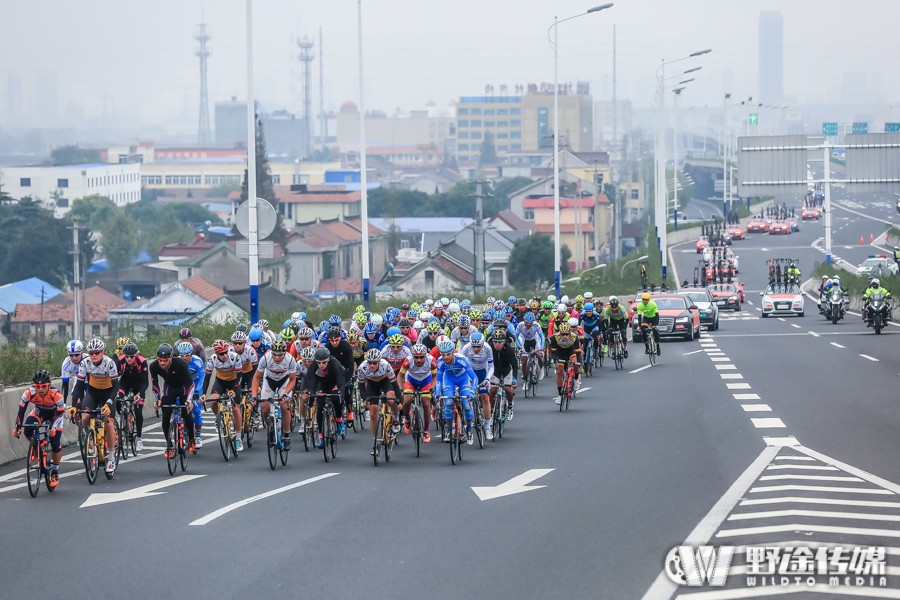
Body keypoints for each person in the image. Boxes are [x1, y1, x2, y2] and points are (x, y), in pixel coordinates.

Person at [68, 338, 120, 475]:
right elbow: (79, 386)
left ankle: (111, 459)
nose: (94, 355)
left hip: (108, 393)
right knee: (84, 417)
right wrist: (74, 406)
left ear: (103, 352)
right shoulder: (85, 363)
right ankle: (90, 440)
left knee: (109, 423)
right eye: (91, 353)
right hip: (93, 392)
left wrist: (109, 402)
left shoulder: (110, 363)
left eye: (97, 353)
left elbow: (116, 386)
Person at [15, 370, 65, 489]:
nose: (40, 389)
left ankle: (55, 472)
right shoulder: (28, 393)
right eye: (37, 386)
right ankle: (36, 447)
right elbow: (21, 411)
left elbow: (60, 415)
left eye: (43, 386)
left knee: (55, 442)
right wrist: (17, 427)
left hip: (55, 415)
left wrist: (54, 428)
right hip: (39, 412)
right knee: (27, 429)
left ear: (49, 385)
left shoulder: (57, 395)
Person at [149, 343, 197, 458]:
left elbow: (190, 384)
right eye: (160, 360)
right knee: (165, 417)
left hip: (183, 388)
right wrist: (158, 399)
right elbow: (155, 385)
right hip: (170, 389)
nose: (162, 363)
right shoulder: (154, 366)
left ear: (170, 358)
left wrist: (189, 400)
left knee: (186, 414)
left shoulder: (180, 364)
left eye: (165, 360)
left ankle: (191, 439)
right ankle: (170, 446)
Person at [251, 339, 298, 450]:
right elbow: (257, 377)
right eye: (274, 354)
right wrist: (254, 395)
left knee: (284, 405)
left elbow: (292, 380)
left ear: (285, 353)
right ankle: (270, 427)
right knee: (265, 407)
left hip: (284, 381)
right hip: (269, 381)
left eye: (280, 355)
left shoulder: (290, 359)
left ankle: (286, 435)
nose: (277, 357)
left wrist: (286, 394)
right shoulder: (265, 359)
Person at [358, 348, 402, 452]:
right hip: (371, 384)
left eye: (374, 363)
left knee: (391, 400)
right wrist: (365, 399)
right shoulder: (362, 367)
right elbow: (361, 386)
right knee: (373, 414)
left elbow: (395, 384)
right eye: (370, 363)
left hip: (385, 381)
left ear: (379, 362)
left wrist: (398, 400)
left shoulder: (385, 365)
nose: (372, 365)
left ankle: (396, 419)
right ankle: (375, 441)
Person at [204, 339, 245, 452]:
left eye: (226, 352)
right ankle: (219, 418)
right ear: (216, 354)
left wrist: (234, 389)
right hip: (220, 382)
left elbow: (240, 376)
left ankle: (238, 438)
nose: (225, 355)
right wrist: (203, 393)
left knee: (236, 409)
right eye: (221, 353)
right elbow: (207, 378)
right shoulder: (212, 359)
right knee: (212, 401)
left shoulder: (235, 357)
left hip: (234, 382)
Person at [434, 339, 476, 445]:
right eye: (443, 355)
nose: (446, 357)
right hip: (449, 380)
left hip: (463, 379)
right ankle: (448, 431)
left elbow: (474, 378)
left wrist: (472, 391)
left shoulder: (461, 359)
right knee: (448, 403)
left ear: (453, 352)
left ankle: (469, 429)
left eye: (448, 354)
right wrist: (438, 392)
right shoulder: (439, 362)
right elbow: (438, 379)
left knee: (466, 404)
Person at [398, 343, 437, 444]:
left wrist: (432, 387)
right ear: (412, 356)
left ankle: (426, 430)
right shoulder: (407, 360)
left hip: (426, 381)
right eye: (416, 357)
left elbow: (434, 376)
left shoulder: (431, 360)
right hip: (412, 380)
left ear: (425, 356)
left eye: (421, 357)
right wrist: (401, 388)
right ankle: (407, 419)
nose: (418, 360)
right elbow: (400, 376)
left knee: (425, 403)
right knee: (406, 400)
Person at [116, 341, 149, 451]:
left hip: (139, 385)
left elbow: (145, 382)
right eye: (126, 356)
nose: (129, 359)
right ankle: (123, 420)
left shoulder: (142, 362)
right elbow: (115, 378)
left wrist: (139, 394)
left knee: (138, 410)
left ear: (136, 355)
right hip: (125, 383)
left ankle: (139, 438)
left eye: (131, 357)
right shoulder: (120, 361)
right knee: (117, 400)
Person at [460, 331, 494, 439]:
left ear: (483, 344)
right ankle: (468, 421)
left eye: (478, 346)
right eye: (473, 346)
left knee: (485, 397)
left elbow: (492, 366)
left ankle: (487, 426)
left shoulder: (488, 348)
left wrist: (488, 379)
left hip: (483, 372)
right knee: (467, 397)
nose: (475, 349)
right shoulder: (466, 348)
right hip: (470, 372)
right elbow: (461, 365)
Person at [177, 341, 206, 448]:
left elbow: (202, 377)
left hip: (196, 384)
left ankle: (198, 435)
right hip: (184, 384)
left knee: (196, 410)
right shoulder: (177, 362)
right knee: (177, 405)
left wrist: (197, 392)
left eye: (187, 355)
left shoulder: (197, 362)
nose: (184, 358)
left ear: (191, 354)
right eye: (182, 355)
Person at [548, 323, 582, 404]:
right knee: (559, 372)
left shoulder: (574, 337)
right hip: (559, 353)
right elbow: (553, 352)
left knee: (575, 363)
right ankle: (560, 395)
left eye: (567, 334)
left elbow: (577, 351)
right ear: (560, 333)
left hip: (571, 351)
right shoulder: (554, 338)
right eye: (563, 334)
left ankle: (576, 378)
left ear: (569, 332)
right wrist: (556, 360)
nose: (565, 336)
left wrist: (578, 363)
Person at [489, 329, 517, 420]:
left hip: (506, 370)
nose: (497, 344)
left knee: (508, 389)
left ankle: (510, 406)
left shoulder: (509, 349)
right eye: (495, 342)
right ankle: (491, 410)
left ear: (504, 342)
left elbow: (515, 365)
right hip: (495, 370)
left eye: (500, 342)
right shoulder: (489, 348)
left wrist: (515, 379)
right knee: (493, 390)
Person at [515, 311, 545, 384]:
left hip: (534, 340)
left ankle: (541, 368)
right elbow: (516, 337)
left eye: (530, 323)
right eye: (527, 322)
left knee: (538, 355)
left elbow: (542, 337)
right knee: (524, 361)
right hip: (525, 341)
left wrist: (541, 347)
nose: (528, 324)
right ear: (524, 320)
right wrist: (520, 348)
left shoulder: (536, 325)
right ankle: (525, 378)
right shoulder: (520, 325)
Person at [636, 292, 661, 356]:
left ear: (649, 300)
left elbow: (657, 315)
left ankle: (658, 348)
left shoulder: (653, 304)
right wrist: (639, 326)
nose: (645, 301)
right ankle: (647, 347)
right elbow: (639, 317)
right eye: (643, 300)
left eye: (646, 300)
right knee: (643, 330)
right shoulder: (639, 305)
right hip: (646, 318)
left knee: (655, 331)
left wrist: (655, 324)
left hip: (654, 318)